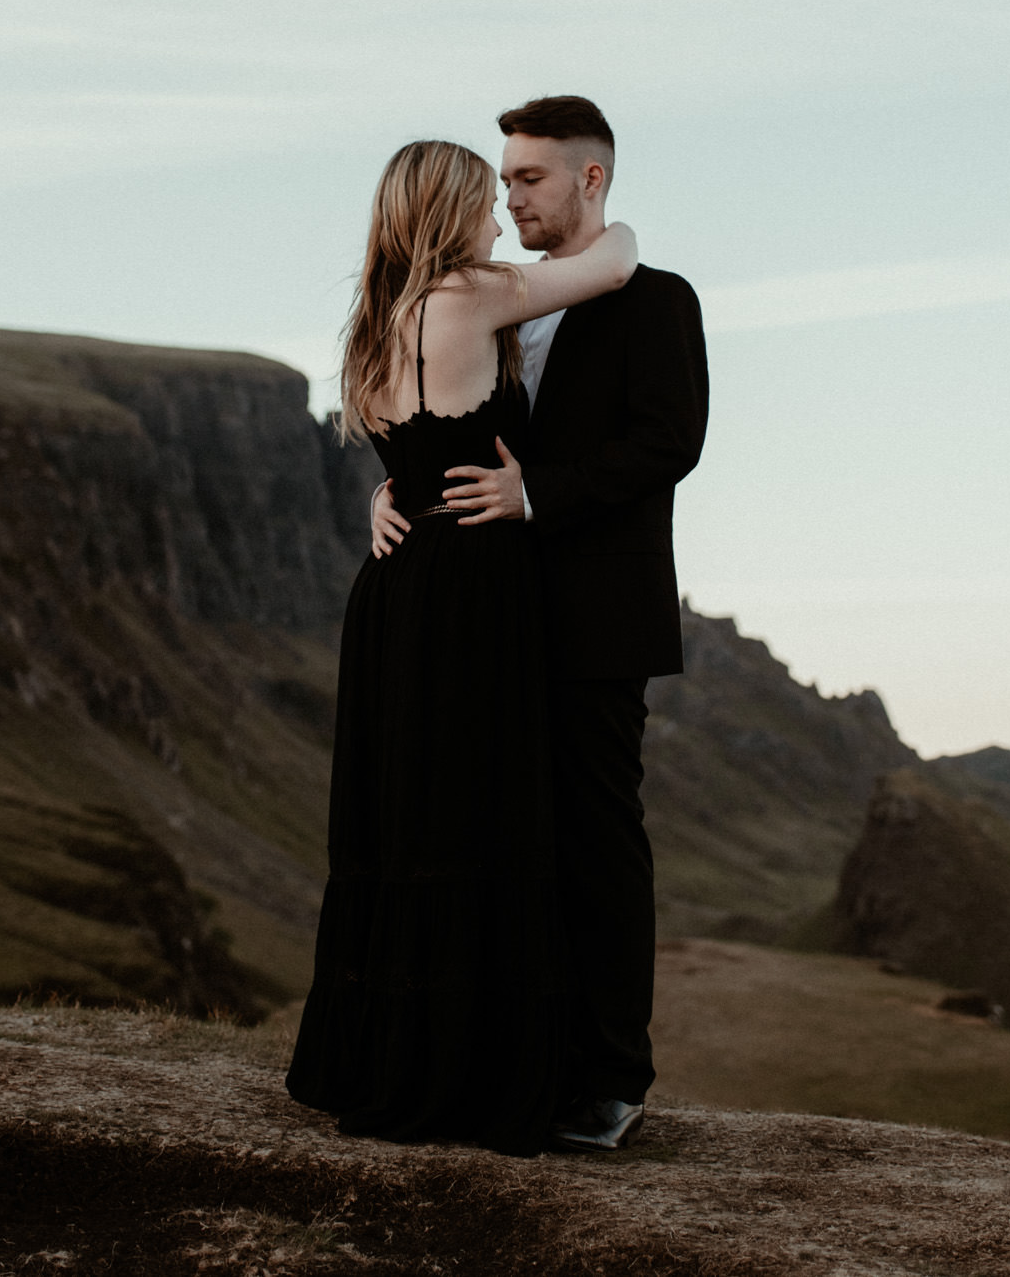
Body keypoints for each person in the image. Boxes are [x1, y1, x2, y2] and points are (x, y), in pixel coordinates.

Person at [284, 136, 640, 1155]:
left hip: (398, 588)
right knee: (480, 816)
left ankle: (385, 1058)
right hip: (472, 591)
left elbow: (413, 459)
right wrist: (597, 202)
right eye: (486, 201)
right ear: (446, 212)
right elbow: (611, 265)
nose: (499, 217)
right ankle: (470, 1079)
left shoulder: (379, 320)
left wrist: (382, 497)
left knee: (407, 822)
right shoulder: (468, 295)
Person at [369, 96, 710, 1153]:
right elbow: (437, 418)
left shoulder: (656, 300)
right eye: (503, 178)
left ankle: (610, 1080)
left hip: (596, 623)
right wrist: (397, 495)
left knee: (597, 844)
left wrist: (538, 496)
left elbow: (668, 443)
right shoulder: (486, 299)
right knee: (501, 846)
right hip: (489, 629)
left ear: (590, 181)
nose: (509, 194)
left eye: (528, 178)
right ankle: (520, 1063)